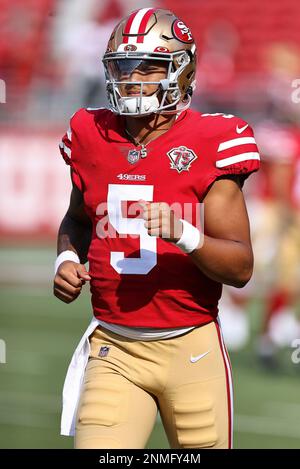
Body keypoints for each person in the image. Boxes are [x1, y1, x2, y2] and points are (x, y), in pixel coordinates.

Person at [54, 7, 260, 449]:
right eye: (122, 67)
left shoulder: (212, 140)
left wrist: (184, 233)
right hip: (114, 348)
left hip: (191, 348)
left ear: (181, 70)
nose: (131, 79)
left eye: (148, 67)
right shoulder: (90, 132)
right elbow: (77, 217)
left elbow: (241, 267)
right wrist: (68, 256)